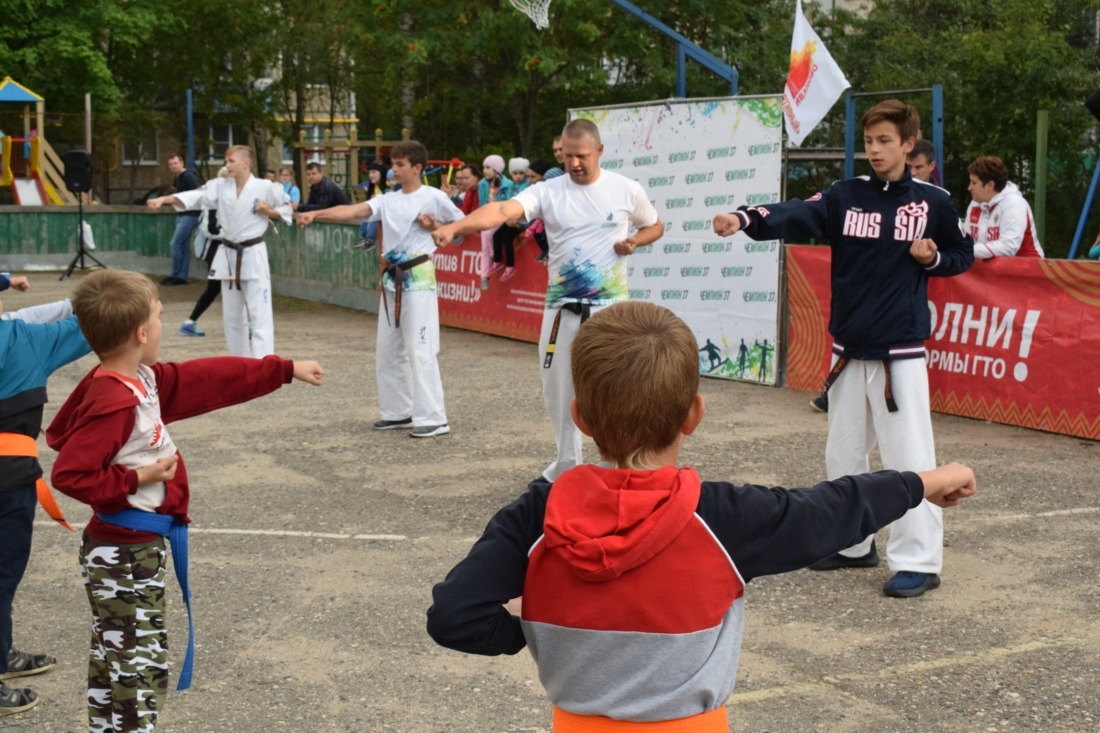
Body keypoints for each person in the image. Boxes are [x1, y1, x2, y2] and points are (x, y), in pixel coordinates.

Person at [426, 301, 978, 732]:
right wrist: (924, 481)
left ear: (580, 419)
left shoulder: (537, 516)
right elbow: (833, 509)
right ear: (694, 414)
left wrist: (535, 629)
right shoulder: (724, 519)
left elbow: (454, 615)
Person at [712, 99, 974, 598]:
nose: (873, 150)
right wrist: (745, 219)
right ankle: (854, 543)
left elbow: (963, 254)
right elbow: (795, 213)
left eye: (884, 142)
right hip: (848, 349)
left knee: (910, 456)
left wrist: (934, 255)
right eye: (868, 142)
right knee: (844, 451)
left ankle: (918, 559)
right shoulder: (844, 195)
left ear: (908, 145)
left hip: (900, 356)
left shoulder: (933, 201)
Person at [45, 269, 324, 733]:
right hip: (124, 555)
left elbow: (206, 378)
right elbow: (71, 473)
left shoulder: (137, 380)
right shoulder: (115, 400)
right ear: (141, 333)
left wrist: (282, 369)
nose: (160, 325)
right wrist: (139, 477)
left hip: (131, 549)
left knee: (117, 659)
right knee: (138, 668)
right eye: (157, 317)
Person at [432, 119, 664, 480]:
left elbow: (654, 225)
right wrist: (455, 227)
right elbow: (501, 211)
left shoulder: (626, 189)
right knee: (558, 389)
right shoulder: (548, 191)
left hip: (611, 313)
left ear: (599, 151)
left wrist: (635, 241)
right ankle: (566, 467)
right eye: (568, 156)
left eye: (582, 156)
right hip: (561, 310)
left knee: (613, 389)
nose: (574, 164)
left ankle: (614, 466)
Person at [297, 140, 464, 438]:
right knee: (388, 349)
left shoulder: (434, 196)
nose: (394, 170)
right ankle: (398, 411)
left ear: (417, 167)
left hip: (418, 276)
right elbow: (352, 211)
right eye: (393, 164)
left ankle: (434, 416)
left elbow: (462, 228)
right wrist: (315, 215)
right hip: (391, 278)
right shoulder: (387, 200)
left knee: (420, 348)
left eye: (400, 165)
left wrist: (434, 226)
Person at [0, 276, 91, 719]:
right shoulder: (22, 338)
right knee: (0, 576)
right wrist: (131, 299)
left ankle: (2, 655)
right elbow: (98, 322)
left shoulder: (20, 333)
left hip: (11, 476)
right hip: (7, 480)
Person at [147, 145, 293, 358]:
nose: (227, 166)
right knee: (232, 316)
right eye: (226, 161)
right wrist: (163, 200)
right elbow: (193, 197)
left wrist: (268, 211)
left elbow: (288, 207)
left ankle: (264, 362)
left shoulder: (266, 187)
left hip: (252, 252)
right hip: (228, 253)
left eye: (231, 161)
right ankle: (240, 360)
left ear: (246, 163)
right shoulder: (219, 186)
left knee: (259, 313)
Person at [180, 167, 230, 337]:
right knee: (216, 287)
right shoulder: (212, 203)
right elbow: (210, 230)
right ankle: (190, 321)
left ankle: (190, 321)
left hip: (227, 249)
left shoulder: (229, 201)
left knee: (227, 287)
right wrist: (231, 234)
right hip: (215, 250)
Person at [966, 156, 1045, 259]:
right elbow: (966, 240)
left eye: (974, 183)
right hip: (993, 270)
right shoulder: (975, 203)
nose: (969, 188)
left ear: (990, 185)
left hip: (1027, 269)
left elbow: (1008, 248)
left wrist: (966, 250)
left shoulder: (1014, 204)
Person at [487, 157, 531, 283]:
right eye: (515, 173)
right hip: (509, 218)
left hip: (520, 220)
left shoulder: (526, 186)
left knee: (507, 239)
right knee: (496, 235)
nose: (518, 176)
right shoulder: (511, 186)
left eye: (521, 173)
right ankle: (497, 260)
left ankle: (510, 266)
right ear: (511, 174)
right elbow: (507, 201)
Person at [160, 154, 201, 286]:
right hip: (184, 214)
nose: (173, 166)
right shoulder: (178, 177)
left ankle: (177, 275)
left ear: (182, 163)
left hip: (190, 214)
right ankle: (180, 276)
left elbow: (197, 193)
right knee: (182, 246)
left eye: (175, 163)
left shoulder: (187, 176)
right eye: (170, 164)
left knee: (176, 244)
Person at [353, 160, 389, 251]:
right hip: (377, 212)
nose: (370, 175)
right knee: (365, 215)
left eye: (374, 172)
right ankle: (363, 237)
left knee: (373, 216)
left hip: (385, 214)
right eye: (369, 173)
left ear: (381, 173)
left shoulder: (388, 186)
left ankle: (369, 239)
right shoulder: (373, 186)